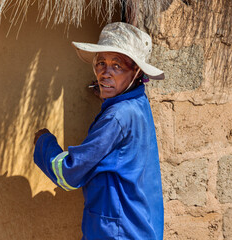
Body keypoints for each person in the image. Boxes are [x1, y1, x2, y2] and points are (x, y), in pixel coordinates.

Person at [33, 22, 164, 240]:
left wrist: (43, 143)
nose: (105, 73)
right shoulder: (138, 104)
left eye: (117, 66)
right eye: (101, 63)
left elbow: (69, 173)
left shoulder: (117, 116)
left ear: (137, 71)